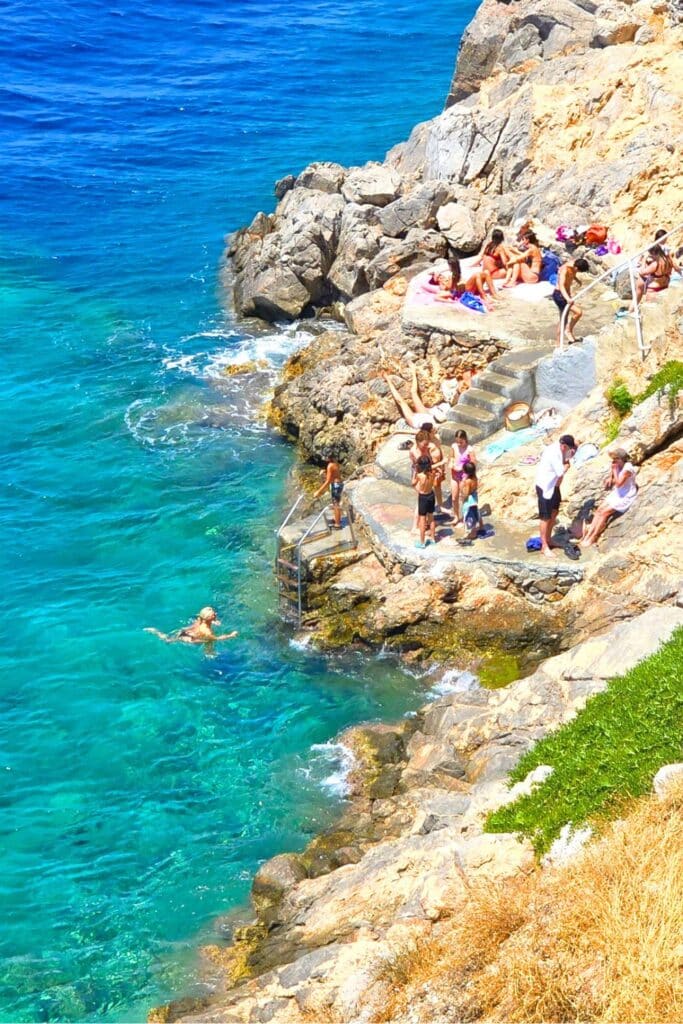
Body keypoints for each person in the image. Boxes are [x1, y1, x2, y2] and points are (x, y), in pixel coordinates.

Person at [580, 448, 638, 548]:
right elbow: (613, 472)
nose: (613, 461)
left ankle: (594, 537)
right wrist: (610, 477)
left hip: (626, 495)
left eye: (615, 459)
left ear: (621, 459)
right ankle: (589, 534)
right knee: (599, 510)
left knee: (604, 513)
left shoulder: (627, 469)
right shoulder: (616, 465)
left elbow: (619, 483)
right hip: (618, 493)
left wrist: (615, 471)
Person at [534, 434, 577, 558]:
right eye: (569, 449)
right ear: (564, 446)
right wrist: (567, 466)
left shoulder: (560, 450)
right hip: (545, 487)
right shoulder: (554, 454)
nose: (569, 451)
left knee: (554, 512)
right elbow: (560, 472)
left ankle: (548, 539)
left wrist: (568, 458)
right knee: (545, 517)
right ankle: (544, 546)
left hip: (554, 487)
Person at [382, 366, 440, 431]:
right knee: (413, 393)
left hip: (415, 420)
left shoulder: (413, 422)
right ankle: (413, 372)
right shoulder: (432, 422)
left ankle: (388, 379)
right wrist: (414, 373)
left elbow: (399, 401)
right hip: (426, 417)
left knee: (401, 402)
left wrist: (388, 380)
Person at [432, 254, 497, 312]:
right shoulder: (452, 276)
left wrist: (441, 278)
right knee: (478, 274)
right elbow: (448, 289)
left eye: (441, 276)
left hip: (467, 288)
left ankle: (492, 294)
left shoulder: (452, 275)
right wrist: (442, 282)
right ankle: (484, 295)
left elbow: (451, 285)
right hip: (466, 290)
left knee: (486, 272)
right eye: (439, 277)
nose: (441, 277)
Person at [144, 607, 238, 644]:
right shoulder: (207, 631)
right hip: (189, 638)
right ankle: (156, 632)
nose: (216, 614)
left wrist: (213, 621)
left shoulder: (200, 620)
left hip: (185, 631)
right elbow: (216, 639)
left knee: (171, 638)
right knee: (168, 640)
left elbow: (201, 618)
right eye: (214, 615)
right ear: (208, 619)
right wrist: (231, 635)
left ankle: (156, 632)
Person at [552, 257, 590, 344]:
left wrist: (576, 279)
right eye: (579, 271)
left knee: (576, 313)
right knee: (564, 319)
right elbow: (561, 285)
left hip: (566, 295)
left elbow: (572, 273)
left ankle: (568, 332)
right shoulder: (564, 270)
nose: (578, 272)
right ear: (576, 268)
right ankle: (559, 343)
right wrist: (567, 298)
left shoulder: (575, 263)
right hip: (560, 295)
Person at [630, 244, 673, 309]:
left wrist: (644, 259)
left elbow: (642, 272)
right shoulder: (668, 260)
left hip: (654, 289)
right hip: (665, 286)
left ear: (653, 253)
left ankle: (631, 311)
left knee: (649, 310)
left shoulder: (656, 264)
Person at [449, 429, 476, 523]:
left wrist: (463, 468)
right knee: (454, 497)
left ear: (465, 439)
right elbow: (452, 457)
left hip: (464, 476)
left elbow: (473, 464)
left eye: (461, 442)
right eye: (457, 442)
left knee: (464, 497)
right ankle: (456, 516)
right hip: (454, 474)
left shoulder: (469, 449)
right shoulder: (454, 446)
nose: (459, 444)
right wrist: (451, 463)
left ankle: (466, 516)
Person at [314, 453, 344, 528]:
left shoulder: (330, 466)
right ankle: (336, 519)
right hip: (339, 484)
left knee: (336, 504)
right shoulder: (335, 463)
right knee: (335, 503)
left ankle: (337, 524)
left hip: (336, 485)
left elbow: (328, 481)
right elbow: (334, 474)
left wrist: (319, 491)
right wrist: (326, 471)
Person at [413, 455, 437, 548]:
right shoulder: (432, 473)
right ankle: (433, 539)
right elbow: (434, 483)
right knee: (431, 517)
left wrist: (415, 473)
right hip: (431, 495)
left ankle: (422, 542)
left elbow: (413, 483)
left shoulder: (420, 475)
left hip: (423, 497)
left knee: (422, 519)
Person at [459, 461, 481, 540]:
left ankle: (469, 534)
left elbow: (467, 493)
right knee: (474, 515)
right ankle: (474, 532)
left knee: (468, 516)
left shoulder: (468, 481)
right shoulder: (475, 477)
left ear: (465, 471)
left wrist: (462, 495)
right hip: (474, 498)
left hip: (469, 500)